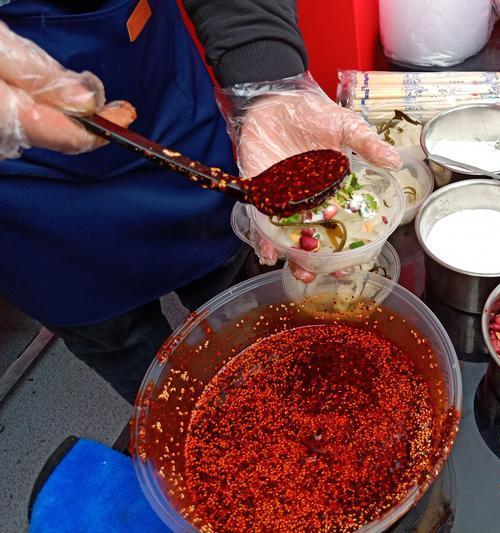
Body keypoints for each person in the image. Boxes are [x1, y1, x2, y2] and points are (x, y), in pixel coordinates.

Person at [0, 0, 399, 403]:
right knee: (160, 385)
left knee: (257, 326)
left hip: (169, 115)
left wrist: (268, 83)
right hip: (30, 212)